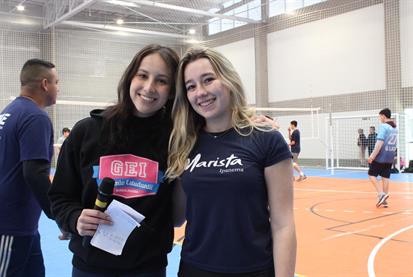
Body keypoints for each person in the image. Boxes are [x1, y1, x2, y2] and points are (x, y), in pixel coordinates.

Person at [48, 45, 180, 277]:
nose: (149, 87)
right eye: (142, 75)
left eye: (162, 80)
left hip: (148, 268)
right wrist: (74, 218)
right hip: (90, 267)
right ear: (130, 77)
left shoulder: (177, 139)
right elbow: (60, 196)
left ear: (171, 91)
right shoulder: (86, 131)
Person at [167, 47, 296, 277]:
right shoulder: (185, 143)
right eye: (191, 86)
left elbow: (283, 224)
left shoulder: (265, 139)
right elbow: (177, 218)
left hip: (253, 269)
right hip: (194, 269)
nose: (200, 92)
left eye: (208, 80)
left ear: (228, 80)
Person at [0, 59, 59, 276]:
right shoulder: (35, 117)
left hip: (24, 225)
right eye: (56, 82)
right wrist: (58, 214)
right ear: (45, 84)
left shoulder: (9, 112)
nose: (58, 88)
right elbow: (35, 173)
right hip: (11, 224)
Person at [368, 108, 397, 208]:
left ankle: (381, 195)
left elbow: (379, 143)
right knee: (385, 177)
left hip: (381, 156)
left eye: (380, 116)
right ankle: (384, 201)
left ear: (383, 116)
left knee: (371, 174)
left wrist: (372, 156)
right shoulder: (394, 128)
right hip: (390, 156)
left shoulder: (384, 126)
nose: (380, 118)